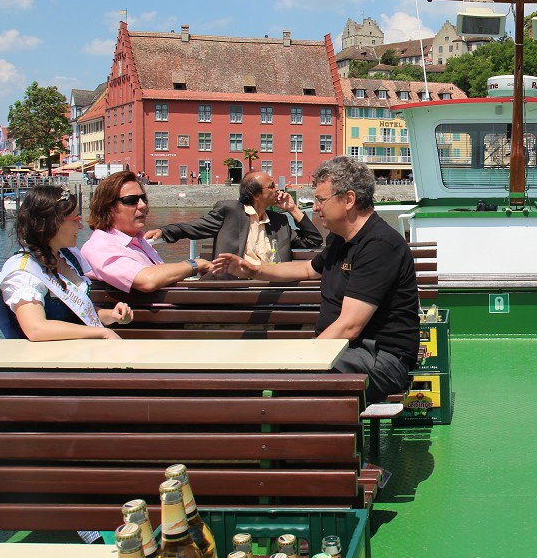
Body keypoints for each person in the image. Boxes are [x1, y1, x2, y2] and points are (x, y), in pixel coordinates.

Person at [213, 156, 420, 403]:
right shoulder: (339, 238)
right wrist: (254, 270)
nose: (316, 207)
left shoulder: (379, 244)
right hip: (341, 350)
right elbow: (308, 270)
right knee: (248, 374)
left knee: (284, 386)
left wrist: (305, 359)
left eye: (321, 200)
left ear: (349, 200)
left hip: (377, 356)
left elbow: (350, 327)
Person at [0, 185, 132, 340]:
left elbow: (79, 312)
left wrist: (111, 315)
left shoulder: (68, 256)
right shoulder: (23, 271)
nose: (80, 226)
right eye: (76, 219)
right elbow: (35, 328)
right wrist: (102, 332)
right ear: (54, 223)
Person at [145, 171, 322, 266]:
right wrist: (163, 231)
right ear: (256, 194)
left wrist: (293, 209)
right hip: (236, 287)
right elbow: (194, 227)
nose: (278, 190)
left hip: (273, 288)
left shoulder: (279, 221)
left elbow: (313, 240)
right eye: (271, 187)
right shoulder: (229, 212)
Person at [81, 170, 212, 292]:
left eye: (143, 198)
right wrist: (195, 264)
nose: (142, 205)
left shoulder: (138, 241)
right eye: (131, 200)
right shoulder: (100, 247)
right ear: (109, 207)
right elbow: (147, 280)